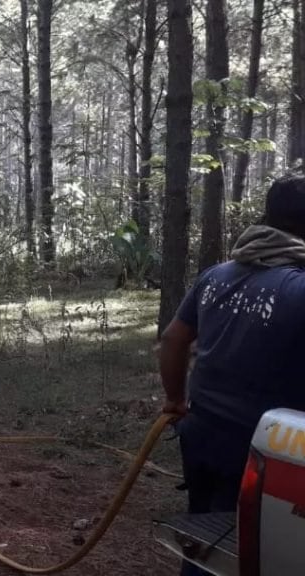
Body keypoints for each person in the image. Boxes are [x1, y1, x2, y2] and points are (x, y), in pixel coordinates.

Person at [158, 174, 305, 576]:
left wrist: (175, 400)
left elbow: (172, 341)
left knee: (205, 540)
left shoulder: (217, 275)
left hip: (201, 434)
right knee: (255, 550)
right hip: (266, 450)